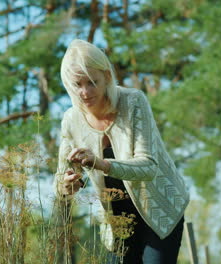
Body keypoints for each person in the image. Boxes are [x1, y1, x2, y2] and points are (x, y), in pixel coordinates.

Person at [53, 39, 190, 264]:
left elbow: (148, 167)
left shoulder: (133, 102)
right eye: (78, 84)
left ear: (107, 76)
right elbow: (60, 182)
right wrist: (68, 184)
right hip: (116, 221)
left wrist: (101, 163)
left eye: (92, 82)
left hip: (160, 211)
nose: (85, 92)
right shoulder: (70, 120)